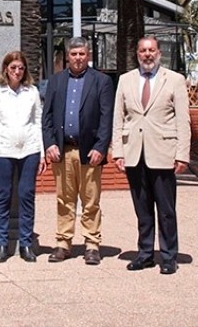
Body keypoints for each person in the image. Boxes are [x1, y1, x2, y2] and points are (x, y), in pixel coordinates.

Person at [112, 36, 190, 275]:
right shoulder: (126, 80)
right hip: (134, 153)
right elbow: (118, 118)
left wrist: (182, 155)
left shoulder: (175, 80)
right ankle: (145, 254)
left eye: (151, 50)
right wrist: (117, 151)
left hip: (163, 153)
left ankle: (168, 256)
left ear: (159, 53)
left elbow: (183, 120)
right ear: (137, 53)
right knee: (142, 209)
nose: (147, 54)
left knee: (166, 210)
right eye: (143, 50)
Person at [41, 37, 115, 265]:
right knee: (65, 199)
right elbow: (48, 117)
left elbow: (106, 117)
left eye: (82, 54)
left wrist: (101, 147)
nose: (78, 58)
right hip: (63, 151)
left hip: (90, 152)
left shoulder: (101, 81)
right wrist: (50, 144)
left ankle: (92, 244)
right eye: (74, 54)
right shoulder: (55, 81)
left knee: (91, 200)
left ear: (88, 55)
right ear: (67, 56)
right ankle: (64, 243)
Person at [0, 51, 44, 263]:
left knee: (27, 196)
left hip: (29, 151)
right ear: (6, 69)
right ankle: (2, 244)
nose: (17, 71)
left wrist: (42, 154)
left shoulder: (31, 91)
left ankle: (26, 244)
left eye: (21, 68)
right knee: (4, 196)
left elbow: (38, 123)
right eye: (13, 67)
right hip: (3, 151)